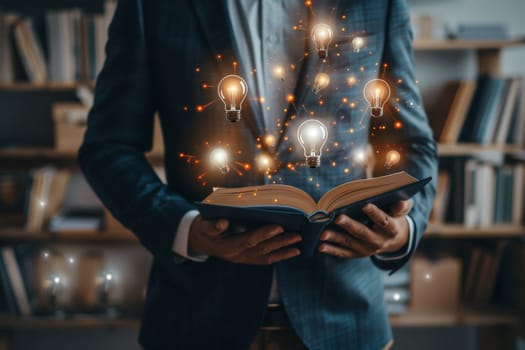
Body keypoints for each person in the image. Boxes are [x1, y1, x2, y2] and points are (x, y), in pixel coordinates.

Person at [78, 0, 437, 349]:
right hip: (195, 317)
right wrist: (187, 229)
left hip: (345, 317)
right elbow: (108, 148)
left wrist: (402, 230)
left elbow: (413, 145)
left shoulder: (379, 3)